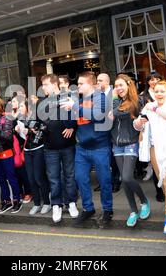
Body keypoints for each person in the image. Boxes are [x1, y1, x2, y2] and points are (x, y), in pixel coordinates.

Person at [135, 81, 166, 234]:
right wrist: (139, 122)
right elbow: (138, 125)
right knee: (163, 182)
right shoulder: (149, 107)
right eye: (156, 91)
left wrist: (155, 108)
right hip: (155, 150)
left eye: (162, 91)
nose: (159, 94)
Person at [61, 71, 113, 225]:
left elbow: (97, 115)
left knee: (104, 180)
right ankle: (88, 208)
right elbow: (71, 125)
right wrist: (68, 112)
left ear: (91, 84)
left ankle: (108, 209)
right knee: (81, 178)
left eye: (81, 83)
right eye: (78, 84)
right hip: (82, 148)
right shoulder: (79, 100)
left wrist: (75, 105)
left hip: (100, 147)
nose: (78, 86)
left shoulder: (100, 97)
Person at [38, 74, 79, 223]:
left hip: (68, 144)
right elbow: (38, 122)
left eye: (46, 84)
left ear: (54, 84)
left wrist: (72, 127)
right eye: (42, 85)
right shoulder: (42, 102)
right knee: (54, 178)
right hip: (50, 146)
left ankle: (71, 202)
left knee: (70, 175)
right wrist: (37, 128)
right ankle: (56, 204)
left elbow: (77, 115)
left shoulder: (68, 97)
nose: (43, 87)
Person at [111, 74, 150, 227]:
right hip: (116, 142)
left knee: (127, 177)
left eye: (121, 85)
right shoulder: (116, 101)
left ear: (128, 84)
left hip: (131, 142)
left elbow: (117, 113)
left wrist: (113, 102)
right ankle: (133, 211)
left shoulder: (137, 100)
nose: (118, 88)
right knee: (124, 180)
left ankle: (144, 201)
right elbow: (109, 117)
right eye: (116, 86)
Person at [16, 99, 51, 215]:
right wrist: (19, 131)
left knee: (39, 178)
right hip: (27, 150)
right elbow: (22, 137)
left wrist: (34, 132)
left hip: (38, 149)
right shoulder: (21, 119)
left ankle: (46, 202)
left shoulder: (37, 117)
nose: (20, 108)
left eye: (21, 106)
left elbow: (44, 130)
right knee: (31, 179)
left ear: (28, 107)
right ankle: (36, 204)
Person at [138, 72, 165, 202]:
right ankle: (160, 191)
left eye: (157, 78)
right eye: (151, 79)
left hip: (165, 132)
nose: (154, 81)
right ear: (148, 82)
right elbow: (140, 115)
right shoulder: (143, 97)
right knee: (156, 165)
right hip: (152, 133)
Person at [97, 73, 121, 193]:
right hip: (101, 131)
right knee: (103, 158)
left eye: (100, 80)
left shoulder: (114, 94)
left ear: (107, 81)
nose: (98, 82)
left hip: (112, 130)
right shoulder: (97, 95)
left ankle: (116, 181)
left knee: (113, 158)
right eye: (97, 80)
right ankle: (104, 182)